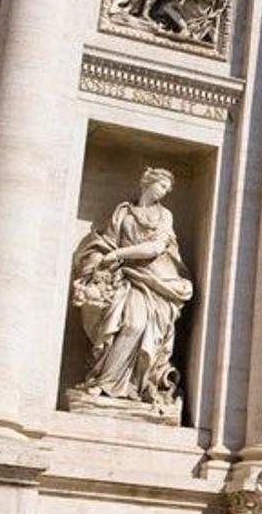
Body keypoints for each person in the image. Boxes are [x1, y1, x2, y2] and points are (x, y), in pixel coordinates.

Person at [71, 168, 193, 413]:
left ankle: (124, 385)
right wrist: (100, 259)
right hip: (122, 277)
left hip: (153, 280)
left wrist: (118, 254)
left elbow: (156, 247)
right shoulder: (123, 212)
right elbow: (107, 240)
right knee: (120, 324)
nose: (165, 192)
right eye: (162, 186)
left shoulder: (164, 215)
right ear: (147, 183)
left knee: (136, 325)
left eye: (167, 189)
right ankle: (104, 382)